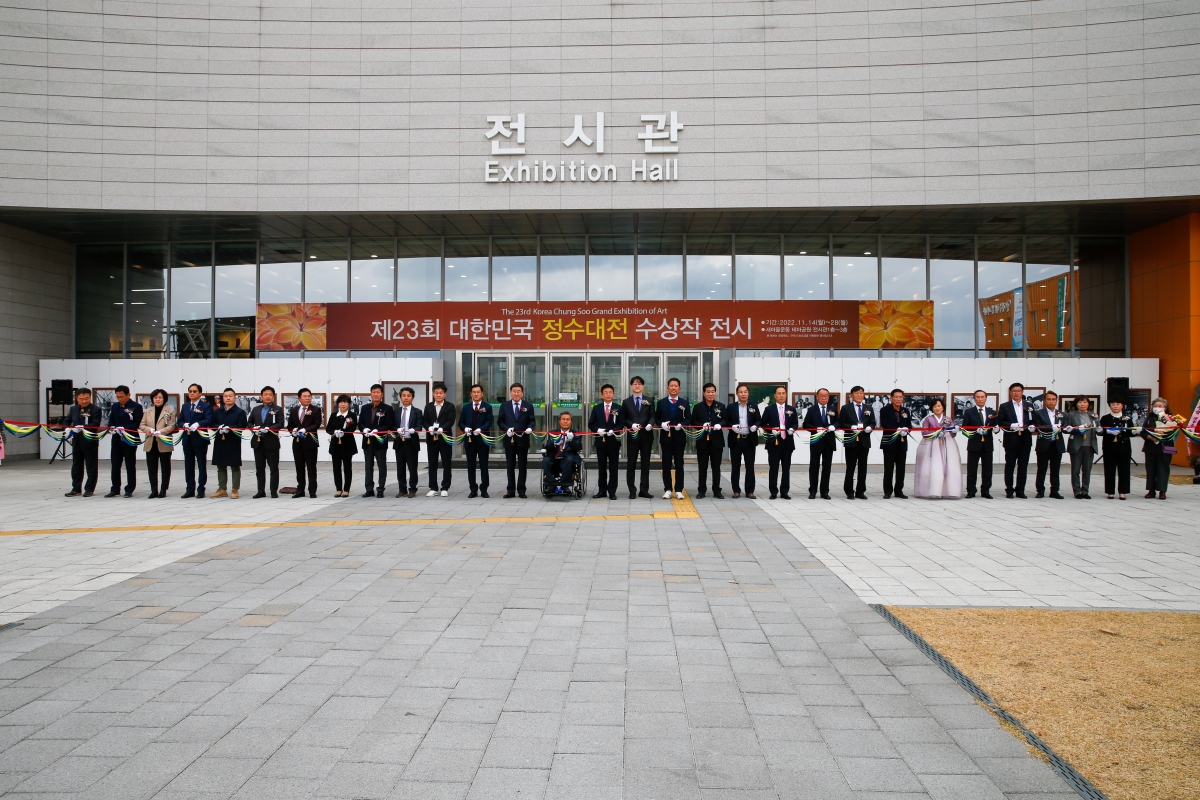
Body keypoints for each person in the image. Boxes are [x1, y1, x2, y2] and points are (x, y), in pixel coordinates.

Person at [913, 398, 963, 498]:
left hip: (947, 444)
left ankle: (949, 491)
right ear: (931, 408)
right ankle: (933, 491)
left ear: (943, 407)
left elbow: (952, 434)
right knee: (934, 466)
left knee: (949, 466)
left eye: (939, 406)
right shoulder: (928, 419)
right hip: (932, 444)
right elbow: (924, 433)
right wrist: (936, 433)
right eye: (935, 406)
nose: (937, 408)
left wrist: (954, 431)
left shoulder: (947, 419)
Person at [995, 382, 1034, 498]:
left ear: (1022, 392)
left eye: (1018, 391)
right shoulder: (1004, 406)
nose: (1016, 393)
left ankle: (1020, 490)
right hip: (1011, 439)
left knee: (1023, 466)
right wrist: (1011, 425)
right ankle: (1009, 490)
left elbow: (1033, 420)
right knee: (1010, 466)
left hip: (1025, 439)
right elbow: (1000, 422)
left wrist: (1032, 426)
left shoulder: (1029, 405)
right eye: (1014, 391)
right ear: (1010, 393)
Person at [498, 382, 536, 499]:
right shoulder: (504, 406)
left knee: (522, 465)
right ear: (510, 392)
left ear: (522, 393)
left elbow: (532, 420)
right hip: (509, 439)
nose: (516, 393)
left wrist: (530, 428)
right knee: (510, 465)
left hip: (523, 439)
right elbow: (500, 421)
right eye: (514, 391)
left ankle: (521, 490)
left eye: (518, 391)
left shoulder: (528, 406)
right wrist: (506, 429)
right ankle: (510, 490)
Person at [358, 383, 396, 498]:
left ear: (382, 394)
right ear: (371, 394)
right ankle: (369, 489)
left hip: (380, 441)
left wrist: (377, 430)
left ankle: (380, 489)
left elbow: (389, 424)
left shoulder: (387, 408)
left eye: (378, 392)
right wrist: (364, 429)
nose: (376, 394)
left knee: (381, 466)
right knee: (368, 466)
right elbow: (360, 423)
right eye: (374, 392)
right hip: (367, 441)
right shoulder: (365, 408)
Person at [105, 385, 143, 498]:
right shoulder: (115, 406)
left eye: (122, 396)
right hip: (116, 439)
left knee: (130, 464)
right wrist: (111, 427)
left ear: (128, 395)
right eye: (118, 397)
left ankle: (129, 489)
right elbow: (111, 420)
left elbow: (137, 423)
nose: (120, 399)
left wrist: (125, 428)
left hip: (129, 439)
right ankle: (115, 488)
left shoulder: (136, 406)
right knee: (115, 465)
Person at [760, 386, 797, 500]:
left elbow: (795, 423)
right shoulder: (769, 409)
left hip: (787, 442)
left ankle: (784, 491)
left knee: (786, 468)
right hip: (773, 442)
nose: (781, 395)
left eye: (783, 393)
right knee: (773, 468)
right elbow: (763, 423)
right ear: (775, 395)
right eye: (779, 393)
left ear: (786, 395)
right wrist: (771, 429)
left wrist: (792, 429)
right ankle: (773, 491)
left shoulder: (791, 409)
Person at [838, 385, 875, 499]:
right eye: (857, 393)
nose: (859, 395)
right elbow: (841, 423)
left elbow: (873, 422)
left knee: (863, 467)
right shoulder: (846, 408)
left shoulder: (868, 408)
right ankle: (849, 491)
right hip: (851, 441)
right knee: (850, 467)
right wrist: (851, 427)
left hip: (864, 441)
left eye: (861, 393)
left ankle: (861, 491)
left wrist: (870, 427)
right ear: (852, 395)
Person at [724, 383, 760, 499]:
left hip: (749, 440)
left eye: (745, 392)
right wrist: (732, 426)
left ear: (748, 393)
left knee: (750, 466)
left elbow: (758, 420)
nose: (743, 394)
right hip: (736, 440)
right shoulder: (731, 407)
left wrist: (755, 426)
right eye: (741, 392)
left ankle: (750, 491)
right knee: (735, 466)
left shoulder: (753, 406)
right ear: (737, 394)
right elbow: (726, 420)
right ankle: (736, 490)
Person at [139, 389, 176, 498]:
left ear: (164, 399)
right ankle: (153, 490)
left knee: (165, 467)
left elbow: (172, 425)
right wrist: (149, 429)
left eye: (160, 397)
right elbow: (141, 425)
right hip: (151, 442)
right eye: (155, 398)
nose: (158, 399)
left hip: (164, 441)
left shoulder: (169, 411)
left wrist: (161, 431)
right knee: (152, 468)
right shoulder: (148, 411)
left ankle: (163, 489)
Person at [655, 378, 689, 499]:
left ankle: (679, 489)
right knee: (666, 464)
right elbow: (657, 418)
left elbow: (689, 418)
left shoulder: (684, 403)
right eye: (671, 386)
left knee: (679, 464)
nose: (673, 388)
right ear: (667, 388)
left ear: (679, 388)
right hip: (666, 438)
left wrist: (682, 424)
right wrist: (661, 424)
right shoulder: (661, 403)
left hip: (679, 438)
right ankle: (668, 489)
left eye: (676, 386)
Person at [622, 376, 655, 499]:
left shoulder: (649, 400)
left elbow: (653, 416)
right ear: (631, 386)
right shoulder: (626, 402)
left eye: (639, 383)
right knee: (631, 464)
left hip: (646, 436)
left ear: (643, 386)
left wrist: (650, 424)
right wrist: (631, 425)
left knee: (645, 464)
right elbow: (623, 418)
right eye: (635, 384)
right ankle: (632, 490)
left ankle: (644, 490)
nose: (637, 386)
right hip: (633, 436)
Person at [690, 382, 725, 499]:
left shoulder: (721, 406)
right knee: (702, 467)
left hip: (717, 441)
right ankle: (701, 490)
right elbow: (693, 422)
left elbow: (726, 420)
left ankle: (717, 490)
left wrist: (720, 424)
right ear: (704, 393)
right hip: (702, 441)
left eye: (713, 392)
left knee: (716, 467)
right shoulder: (698, 407)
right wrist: (702, 425)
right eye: (708, 392)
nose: (711, 394)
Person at [211, 388, 248, 499]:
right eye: (226, 396)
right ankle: (222, 489)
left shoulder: (240, 412)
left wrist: (230, 428)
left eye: (230, 396)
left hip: (233, 441)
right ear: (223, 398)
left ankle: (235, 489)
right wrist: (218, 427)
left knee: (234, 465)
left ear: (235, 398)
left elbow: (242, 425)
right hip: (220, 440)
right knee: (220, 465)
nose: (228, 398)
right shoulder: (218, 411)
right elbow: (212, 423)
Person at [178, 383, 213, 499]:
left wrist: (198, 424)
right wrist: (184, 424)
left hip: (200, 439)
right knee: (188, 465)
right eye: (190, 391)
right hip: (187, 439)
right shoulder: (185, 406)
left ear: (200, 393)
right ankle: (190, 489)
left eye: (194, 391)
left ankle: (201, 489)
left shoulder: (205, 406)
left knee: (201, 465)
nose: (192, 393)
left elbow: (209, 419)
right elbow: (179, 421)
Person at [64, 387, 100, 497]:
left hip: (90, 441)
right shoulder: (74, 409)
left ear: (90, 397)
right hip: (77, 441)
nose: (84, 401)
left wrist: (83, 427)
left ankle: (89, 489)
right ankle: (76, 488)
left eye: (86, 398)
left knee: (91, 467)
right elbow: (66, 421)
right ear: (77, 398)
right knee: (76, 466)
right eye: (81, 399)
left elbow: (95, 424)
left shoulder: (95, 409)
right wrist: (68, 428)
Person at [587, 384, 622, 500]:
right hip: (600, 442)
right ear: (602, 395)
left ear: (613, 394)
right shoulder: (596, 408)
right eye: (605, 392)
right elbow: (591, 424)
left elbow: (621, 423)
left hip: (613, 442)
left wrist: (614, 430)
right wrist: (598, 430)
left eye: (610, 392)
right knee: (601, 468)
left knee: (613, 468)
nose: (608, 394)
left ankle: (612, 491)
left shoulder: (618, 408)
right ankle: (602, 490)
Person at [249, 386, 284, 498]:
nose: (268, 396)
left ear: (273, 396)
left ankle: (273, 491)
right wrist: (254, 429)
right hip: (258, 442)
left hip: (271, 442)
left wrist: (270, 428)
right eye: (265, 394)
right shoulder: (256, 409)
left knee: (273, 468)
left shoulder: (277, 409)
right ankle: (261, 491)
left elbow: (281, 423)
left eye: (270, 394)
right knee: (259, 468)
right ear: (261, 396)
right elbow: (249, 422)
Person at [459, 384, 493, 498]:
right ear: (470, 394)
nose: (476, 394)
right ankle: (473, 489)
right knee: (471, 466)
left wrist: (481, 429)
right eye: (474, 392)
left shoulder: (487, 407)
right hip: (469, 441)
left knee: (484, 465)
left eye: (478, 392)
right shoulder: (466, 407)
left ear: (482, 393)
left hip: (482, 440)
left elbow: (489, 421)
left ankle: (484, 489)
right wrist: (465, 428)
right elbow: (461, 422)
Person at [801, 388, 836, 500]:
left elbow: (838, 421)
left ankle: (824, 491)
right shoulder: (812, 410)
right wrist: (816, 428)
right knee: (814, 467)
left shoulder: (833, 409)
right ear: (817, 396)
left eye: (826, 395)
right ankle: (813, 491)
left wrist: (833, 426)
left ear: (828, 397)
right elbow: (806, 424)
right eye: (821, 395)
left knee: (827, 467)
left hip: (829, 442)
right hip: (816, 441)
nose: (824, 397)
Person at [288, 388, 322, 498]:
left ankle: (312, 490)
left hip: (310, 442)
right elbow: (290, 425)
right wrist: (292, 431)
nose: (307, 398)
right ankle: (300, 489)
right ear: (299, 398)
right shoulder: (294, 410)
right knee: (299, 467)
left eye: (309, 396)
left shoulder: (315, 410)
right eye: (305, 396)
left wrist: (306, 429)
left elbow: (317, 424)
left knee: (311, 467)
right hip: (297, 443)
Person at [423, 382, 456, 497]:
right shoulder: (428, 406)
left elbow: (451, 420)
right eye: (436, 393)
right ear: (433, 394)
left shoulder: (450, 406)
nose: (438, 395)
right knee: (432, 463)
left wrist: (443, 428)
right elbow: (424, 420)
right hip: (432, 439)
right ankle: (433, 487)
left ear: (445, 394)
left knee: (446, 463)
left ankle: (445, 487)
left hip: (445, 438)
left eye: (441, 393)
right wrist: (429, 428)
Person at [1141, 397, 1176, 500]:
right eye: (1155, 406)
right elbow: (1143, 431)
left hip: (1165, 447)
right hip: (1151, 447)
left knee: (1163, 469)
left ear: (1165, 407)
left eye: (1160, 406)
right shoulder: (1149, 418)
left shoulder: (1171, 419)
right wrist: (1149, 437)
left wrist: (1163, 434)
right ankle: (1151, 490)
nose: (1157, 408)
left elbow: (1174, 432)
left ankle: (1162, 491)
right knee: (1150, 469)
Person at [879, 389, 911, 499]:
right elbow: (885, 424)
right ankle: (888, 491)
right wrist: (897, 430)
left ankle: (899, 490)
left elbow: (909, 425)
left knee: (901, 468)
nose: (898, 399)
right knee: (889, 468)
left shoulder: (906, 410)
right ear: (891, 398)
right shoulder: (885, 410)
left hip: (902, 442)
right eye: (896, 397)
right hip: (889, 442)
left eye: (900, 397)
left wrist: (906, 430)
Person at [1033, 390, 1066, 499]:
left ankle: (1055, 490)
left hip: (1057, 444)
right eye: (1049, 399)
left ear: (1057, 400)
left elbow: (1065, 427)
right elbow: (1037, 426)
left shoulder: (1062, 414)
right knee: (1041, 468)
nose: (1051, 401)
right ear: (1044, 401)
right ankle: (1040, 490)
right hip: (1044, 443)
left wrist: (1067, 428)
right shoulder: (1039, 413)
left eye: (1053, 399)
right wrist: (1051, 428)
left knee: (1055, 469)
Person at [962, 390, 995, 498]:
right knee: (972, 469)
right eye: (978, 397)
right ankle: (971, 491)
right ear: (974, 399)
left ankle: (985, 491)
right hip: (974, 444)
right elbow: (965, 428)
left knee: (987, 470)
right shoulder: (969, 412)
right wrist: (975, 430)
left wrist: (997, 429)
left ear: (986, 398)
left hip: (987, 444)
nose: (980, 399)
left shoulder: (992, 412)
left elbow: (995, 426)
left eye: (982, 397)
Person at [1065, 396, 1098, 499]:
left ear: (1088, 404)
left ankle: (1085, 491)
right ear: (1076, 404)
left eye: (1084, 402)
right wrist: (1077, 429)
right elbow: (1067, 429)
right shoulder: (1072, 415)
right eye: (1080, 402)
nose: (1082, 404)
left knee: (1087, 470)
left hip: (1090, 446)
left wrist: (1100, 429)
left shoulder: (1093, 415)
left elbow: (1098, 428)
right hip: (1077, 445)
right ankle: (1077, 491)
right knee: (1075, 470)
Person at [393, 386, 423, 498]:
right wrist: (397, 429)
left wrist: (414, 430)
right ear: (400, 397)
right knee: (400, 468)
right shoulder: (396, 411)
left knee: (412, 467)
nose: (406, 398)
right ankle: (402, 489)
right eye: (404, 395)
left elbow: (419, 426)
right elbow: (392, 425)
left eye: (409, 396)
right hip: (399, 442)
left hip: (411, 442)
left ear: (412, 398)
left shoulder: (417, 412)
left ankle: (412, 489)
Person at [542, 411, 583, 494]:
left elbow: (578, 448)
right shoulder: (553, 432)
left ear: (571, 421)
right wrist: (554, 443)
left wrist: (571, 440)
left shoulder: (576, 434)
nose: (565, 421)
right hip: (554, 457)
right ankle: (552, 484)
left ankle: (565, 485)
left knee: (569, 460)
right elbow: (548, 447)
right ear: (559, 421)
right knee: (545, 460)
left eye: (568, 419)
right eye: (563, 419)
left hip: (568, 458)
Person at [1099, 400, 1132, 499]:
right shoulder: (1105, 418)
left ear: (1122, 406)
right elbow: (1100, 431)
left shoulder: (1127, 418)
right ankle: (1110, 491)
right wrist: (1108, 431)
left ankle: (1123, 491)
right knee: (1109, 469)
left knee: (1124, 469)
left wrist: (1135, 432)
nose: (1115, 406)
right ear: (1110, 406)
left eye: (1118, 404)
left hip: (1124, 447)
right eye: (1113, 404)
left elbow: (1131, 432)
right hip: (1109, 447)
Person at [327, 394, 358, 497]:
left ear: (349, 404)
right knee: (336, 468)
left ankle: (346, 489)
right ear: (338, 404)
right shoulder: (333, 415)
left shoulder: (352, 415)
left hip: (347, 444)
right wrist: (334, 432)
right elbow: (328, 428)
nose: (343, 404)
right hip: (335, 445)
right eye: (341, 402)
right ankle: (338, 489)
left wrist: (343, 433)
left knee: (347, 468)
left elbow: (352, 428)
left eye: (345, 402)